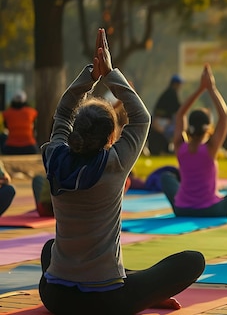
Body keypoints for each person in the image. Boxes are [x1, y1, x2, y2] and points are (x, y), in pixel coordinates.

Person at [38, 28, 204, 315]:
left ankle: (139, 287)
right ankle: (144, 293)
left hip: (55, 296)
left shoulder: (55, 156)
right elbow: (141, 117)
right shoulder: (114, 164)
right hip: (107, 301)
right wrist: (110, 72)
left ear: (74, 133)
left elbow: (63, 111)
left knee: (51, 248)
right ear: (111, 138)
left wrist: (90, 76)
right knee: (193, 260)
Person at [159, 64, 227, 217]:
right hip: (211, 210)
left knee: (165, 178)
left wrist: (199, 89)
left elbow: (179, 115)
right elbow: (224, 116)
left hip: (182, 209)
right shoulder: (210, 148)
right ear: (208, 128)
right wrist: (211, 88)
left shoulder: (180, 147)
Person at [148, 74, 183, 155]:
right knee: (176, 130)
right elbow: (179, 109)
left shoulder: (168, 92)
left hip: (161, 120)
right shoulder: (171, 93)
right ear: (175, 84)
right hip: (162, 121)